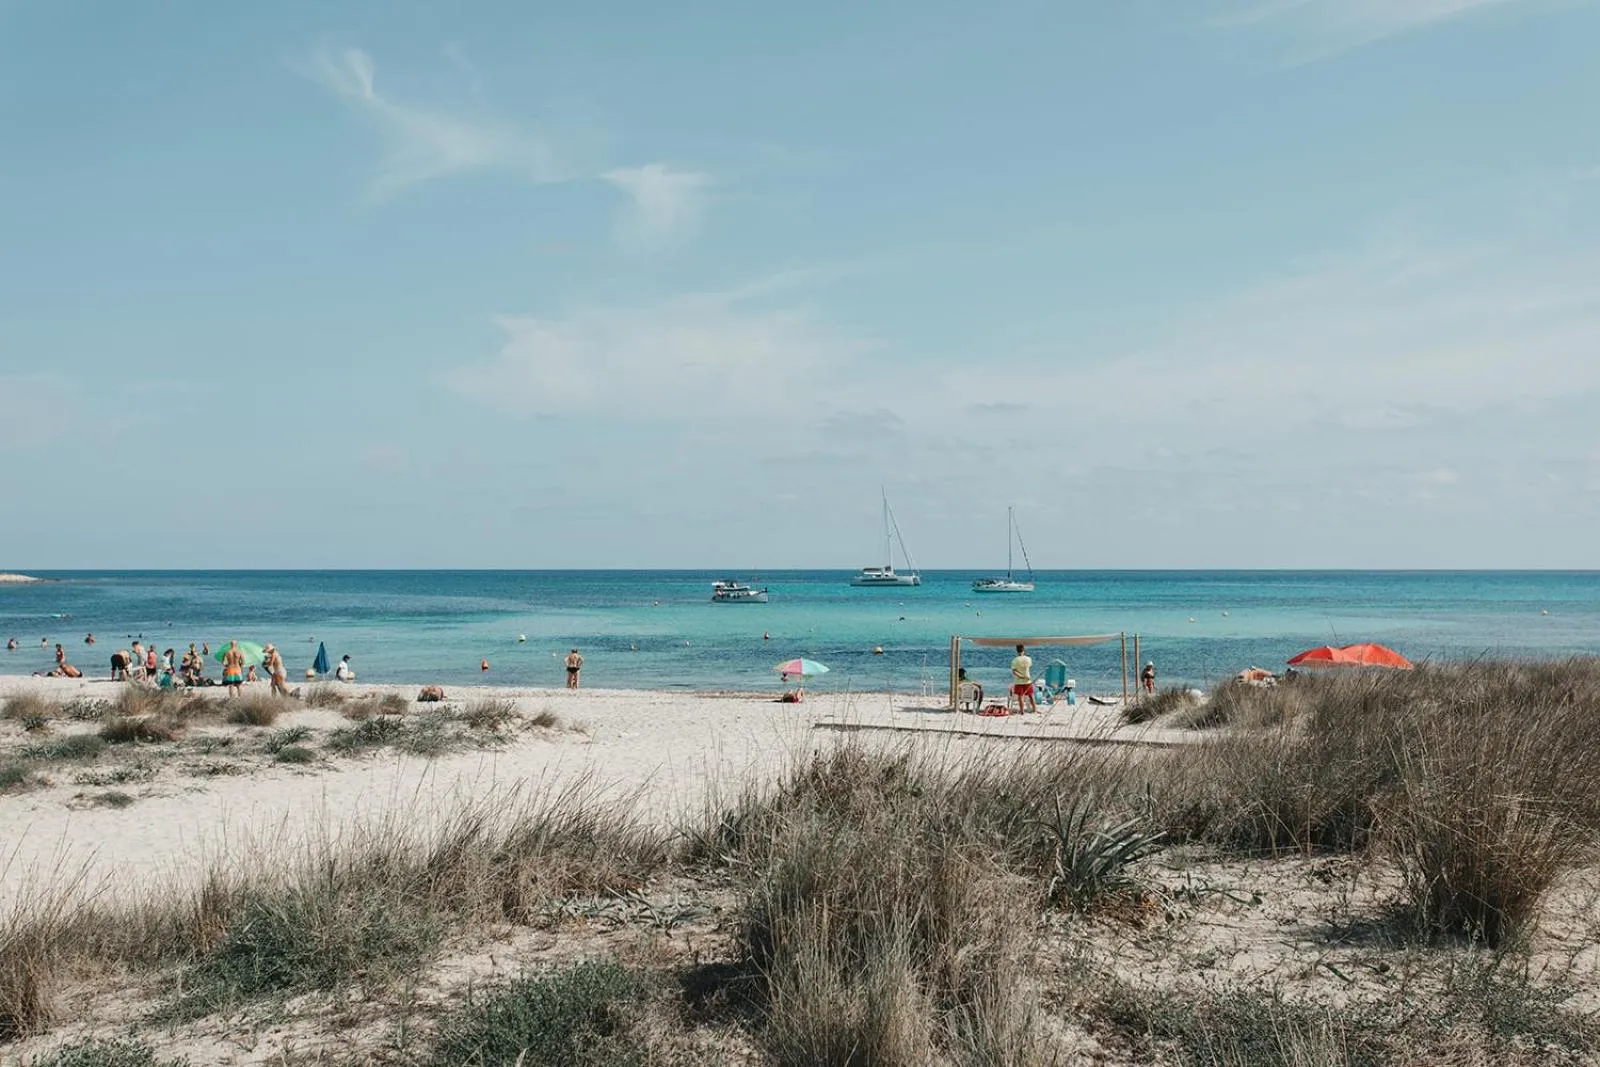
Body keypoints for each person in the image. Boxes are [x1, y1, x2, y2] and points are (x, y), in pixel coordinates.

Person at [1010, 643, 1036, 714]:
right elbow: (1029, 667)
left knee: (1021, 696)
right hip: (1028, 680)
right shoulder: (1028, 659)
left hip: (1019, 681)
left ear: (1017, 651)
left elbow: (1014, 671)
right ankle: (1034, 709)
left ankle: (1022, 711)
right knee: (1030, 695)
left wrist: (1020, 676)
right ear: (1023, 650)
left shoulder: (1015, 660)